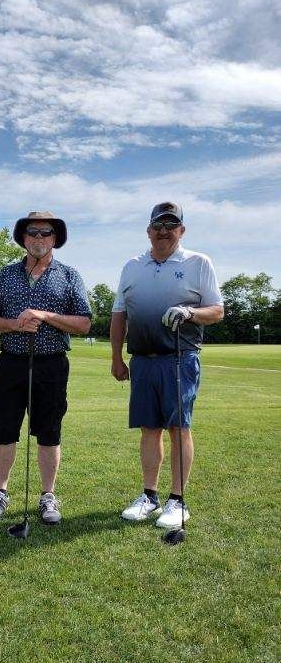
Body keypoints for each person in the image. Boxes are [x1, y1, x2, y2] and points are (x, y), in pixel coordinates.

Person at [110, 202, 224, 528]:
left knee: (178, 428)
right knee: (149, 429)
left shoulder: (198, 263)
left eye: (171, 225)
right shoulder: (132, 266)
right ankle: (149, 495)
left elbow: (216, 310)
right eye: (158, 225)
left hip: (180, 359)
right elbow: (120, 315)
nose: (164, 231)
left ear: (181, 230)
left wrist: (190, 313)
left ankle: (178, 500)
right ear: (148, 231)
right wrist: (116, 357)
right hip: (143, 361)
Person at [0, 211, 92, 525]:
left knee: (49, 432)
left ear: (55, 238)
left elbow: (84, 322)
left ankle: (47, 496)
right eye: (33, 233)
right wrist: (15, 324)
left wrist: (44, 315)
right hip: (11, 362)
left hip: (52, 364)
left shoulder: (69, 276)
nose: (39, 238)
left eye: (45, 233)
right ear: (24, 238)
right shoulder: (4, 275)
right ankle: (1, 492)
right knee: (3, 429)